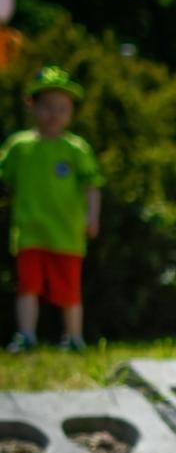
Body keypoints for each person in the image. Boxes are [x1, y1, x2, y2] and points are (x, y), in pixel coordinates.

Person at [3, 65, 104, 353]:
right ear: (32, 106)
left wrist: (92, 215)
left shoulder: (76, 149)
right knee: (27, 286)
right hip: (29, 230)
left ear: (71, 112)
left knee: (70, 290)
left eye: (62, 108)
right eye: (47, 106)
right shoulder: (19, 147)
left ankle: (73, 337)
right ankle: (26, 336)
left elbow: (92, 185)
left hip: (67, 232)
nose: (54, 114)